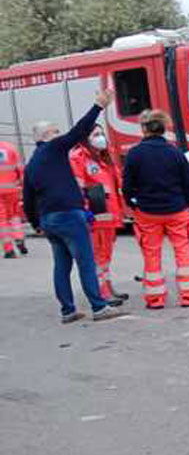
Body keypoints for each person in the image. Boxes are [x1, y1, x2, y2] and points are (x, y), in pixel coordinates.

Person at [22, 88, 124, 323]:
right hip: (68, 215)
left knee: (61, 266)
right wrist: (98, 106)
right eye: (56, 132)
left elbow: (28, 199)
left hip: (49, 219)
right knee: (85, 261)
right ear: (46, 135)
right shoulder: (54, 148)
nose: (60, 135)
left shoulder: (33, 163)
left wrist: (37, 223)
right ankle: (99, 307)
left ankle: (68, 310)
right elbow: (79, 131)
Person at [122, 109, 189, 309]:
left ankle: (155, 299)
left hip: (147, 212)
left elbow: (127, 186)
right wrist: (186, 203)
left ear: (144, 129)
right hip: (177, 210)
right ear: (164, 129)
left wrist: (134, 204)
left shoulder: (134, 154)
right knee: (183, 252)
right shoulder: (175, 152)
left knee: (151, 254)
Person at [70, 125, 128, 304]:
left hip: (110, 213)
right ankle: (102, 292)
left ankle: (107, 286)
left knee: (106, 255)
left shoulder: (105, 155)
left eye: (102, 134)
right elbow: (77, 188)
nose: (101, 137)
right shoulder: (78, 157)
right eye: (96, 134)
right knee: (98, 255)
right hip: (95, 215)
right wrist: (85, 211)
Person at [1, 140, 28, 259]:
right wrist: (23, 187)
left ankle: (9, 249)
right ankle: (19, 238)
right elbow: (21, 170)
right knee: (14, 216)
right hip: (12, 189)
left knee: (2, 220)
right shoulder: (10, 148)